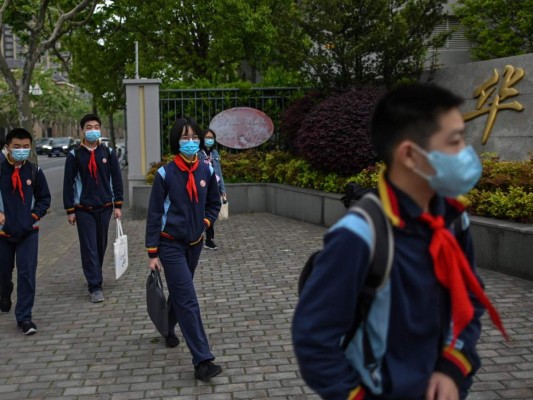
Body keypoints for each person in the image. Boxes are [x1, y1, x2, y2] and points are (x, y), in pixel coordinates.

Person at [292, 83, 508, 400]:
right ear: (410, 154)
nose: (466, 152)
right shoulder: (359, 236)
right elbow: (313, 337)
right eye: (455, 142)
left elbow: (469, 299)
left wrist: (451, 368)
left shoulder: (452, 217)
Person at [145, 117, 222, 382]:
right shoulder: (165, 174)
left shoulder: (206, 170)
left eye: (194, 137)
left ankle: (167, 328)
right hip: (170, 245)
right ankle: (202, 360)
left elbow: (213, 202)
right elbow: (155, 214)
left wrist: (205, 222)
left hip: (195, 244)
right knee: (188, 298)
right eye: (184, 138)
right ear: (176, 142)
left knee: (181, 292)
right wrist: (152, 252)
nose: (190, 142)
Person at [63, 114, 124, 303]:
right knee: (89, 247)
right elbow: (68, 184)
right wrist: (70, 210)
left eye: (96, 126)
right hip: (83, 209)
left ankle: (94, 273)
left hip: (105, 207)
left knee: (100, 245)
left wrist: (118, 204)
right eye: (89, 127)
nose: (93, 130)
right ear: (82, 130)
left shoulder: (108, 152)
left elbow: (116, 178)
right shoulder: (74, 155)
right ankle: (95, 285)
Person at [0, 128, 51, 334]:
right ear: (7, 148)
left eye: (26, 147)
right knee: (3, 273)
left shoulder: (34, 172)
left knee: (27, 274)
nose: (21, 151)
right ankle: (4, 292)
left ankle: (24, 318)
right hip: (3, 234)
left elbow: (44, 198)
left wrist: (33, 217)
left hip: (28, 233)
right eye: (16, 147)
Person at [198, 128, 226, 250]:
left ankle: (209, 239)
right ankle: (198, 236)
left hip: (213, 187)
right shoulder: (198, 153)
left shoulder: (214, 153)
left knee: (211, 212)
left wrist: (222, 190)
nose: (209, 140)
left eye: (211, 138)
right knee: (199, 212)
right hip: (202, 186)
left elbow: (219, 172)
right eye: (207, 137)